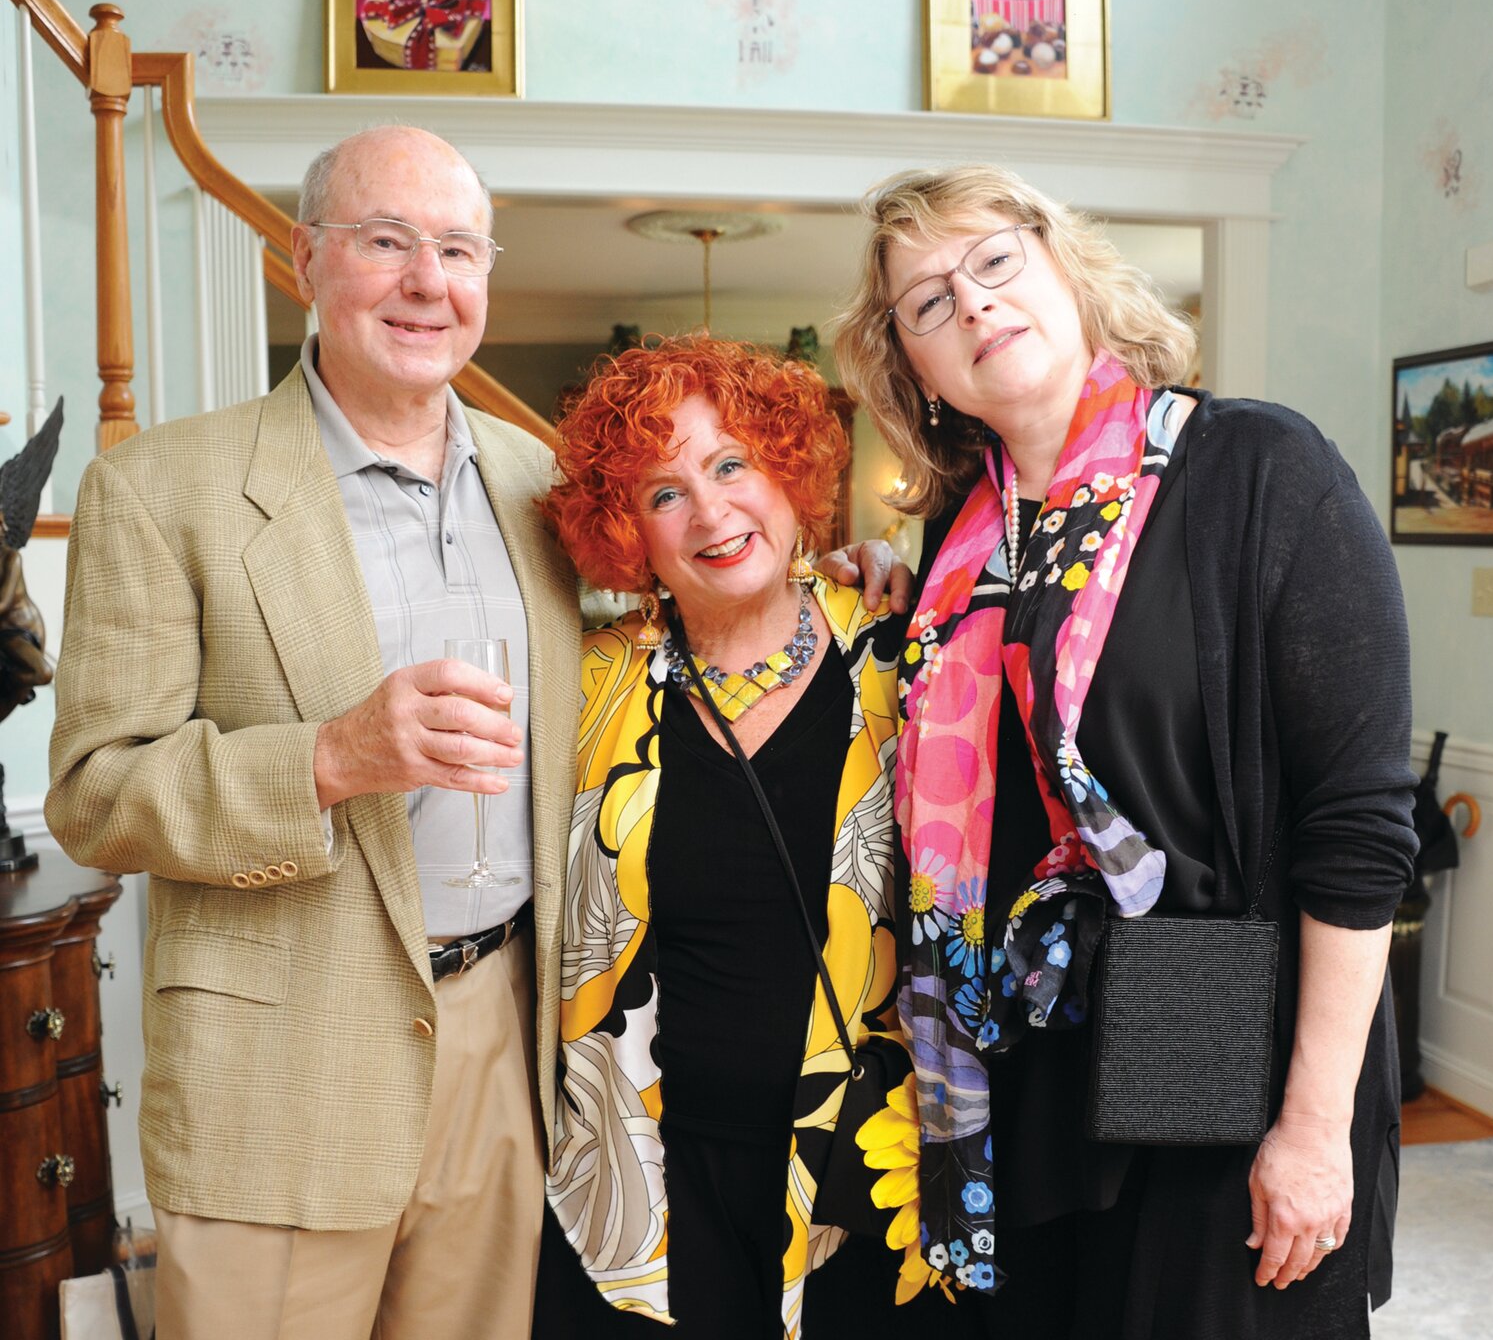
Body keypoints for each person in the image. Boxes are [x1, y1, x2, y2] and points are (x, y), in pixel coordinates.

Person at [832, 165, 1418, 1337]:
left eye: (993, 261)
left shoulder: (1254, 468)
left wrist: (1313, 1124)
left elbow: (1357, 824)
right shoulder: (958, 543)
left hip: (1205, 1000)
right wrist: (876, 610)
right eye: (929, 303)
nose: (975, 303)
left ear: (1064, 265)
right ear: (920, 372)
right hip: (1016, 1043)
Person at [45, 126, 580, 1340]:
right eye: (385, 241)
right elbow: (91, 792)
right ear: (304, 260)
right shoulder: (160, 487)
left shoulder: (541, 481)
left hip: (503, 1036)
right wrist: (331, 757)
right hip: (280, 1063)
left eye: (456, 249)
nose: (426, 282)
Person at [535, 336, 918, 1339]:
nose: (709, 512)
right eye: (662, 492)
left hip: (857, 1170)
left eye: (731, 464)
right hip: (645, 1178)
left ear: (790, 472)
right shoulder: (583, 685)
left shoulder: (903, 657)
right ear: (629, 532)